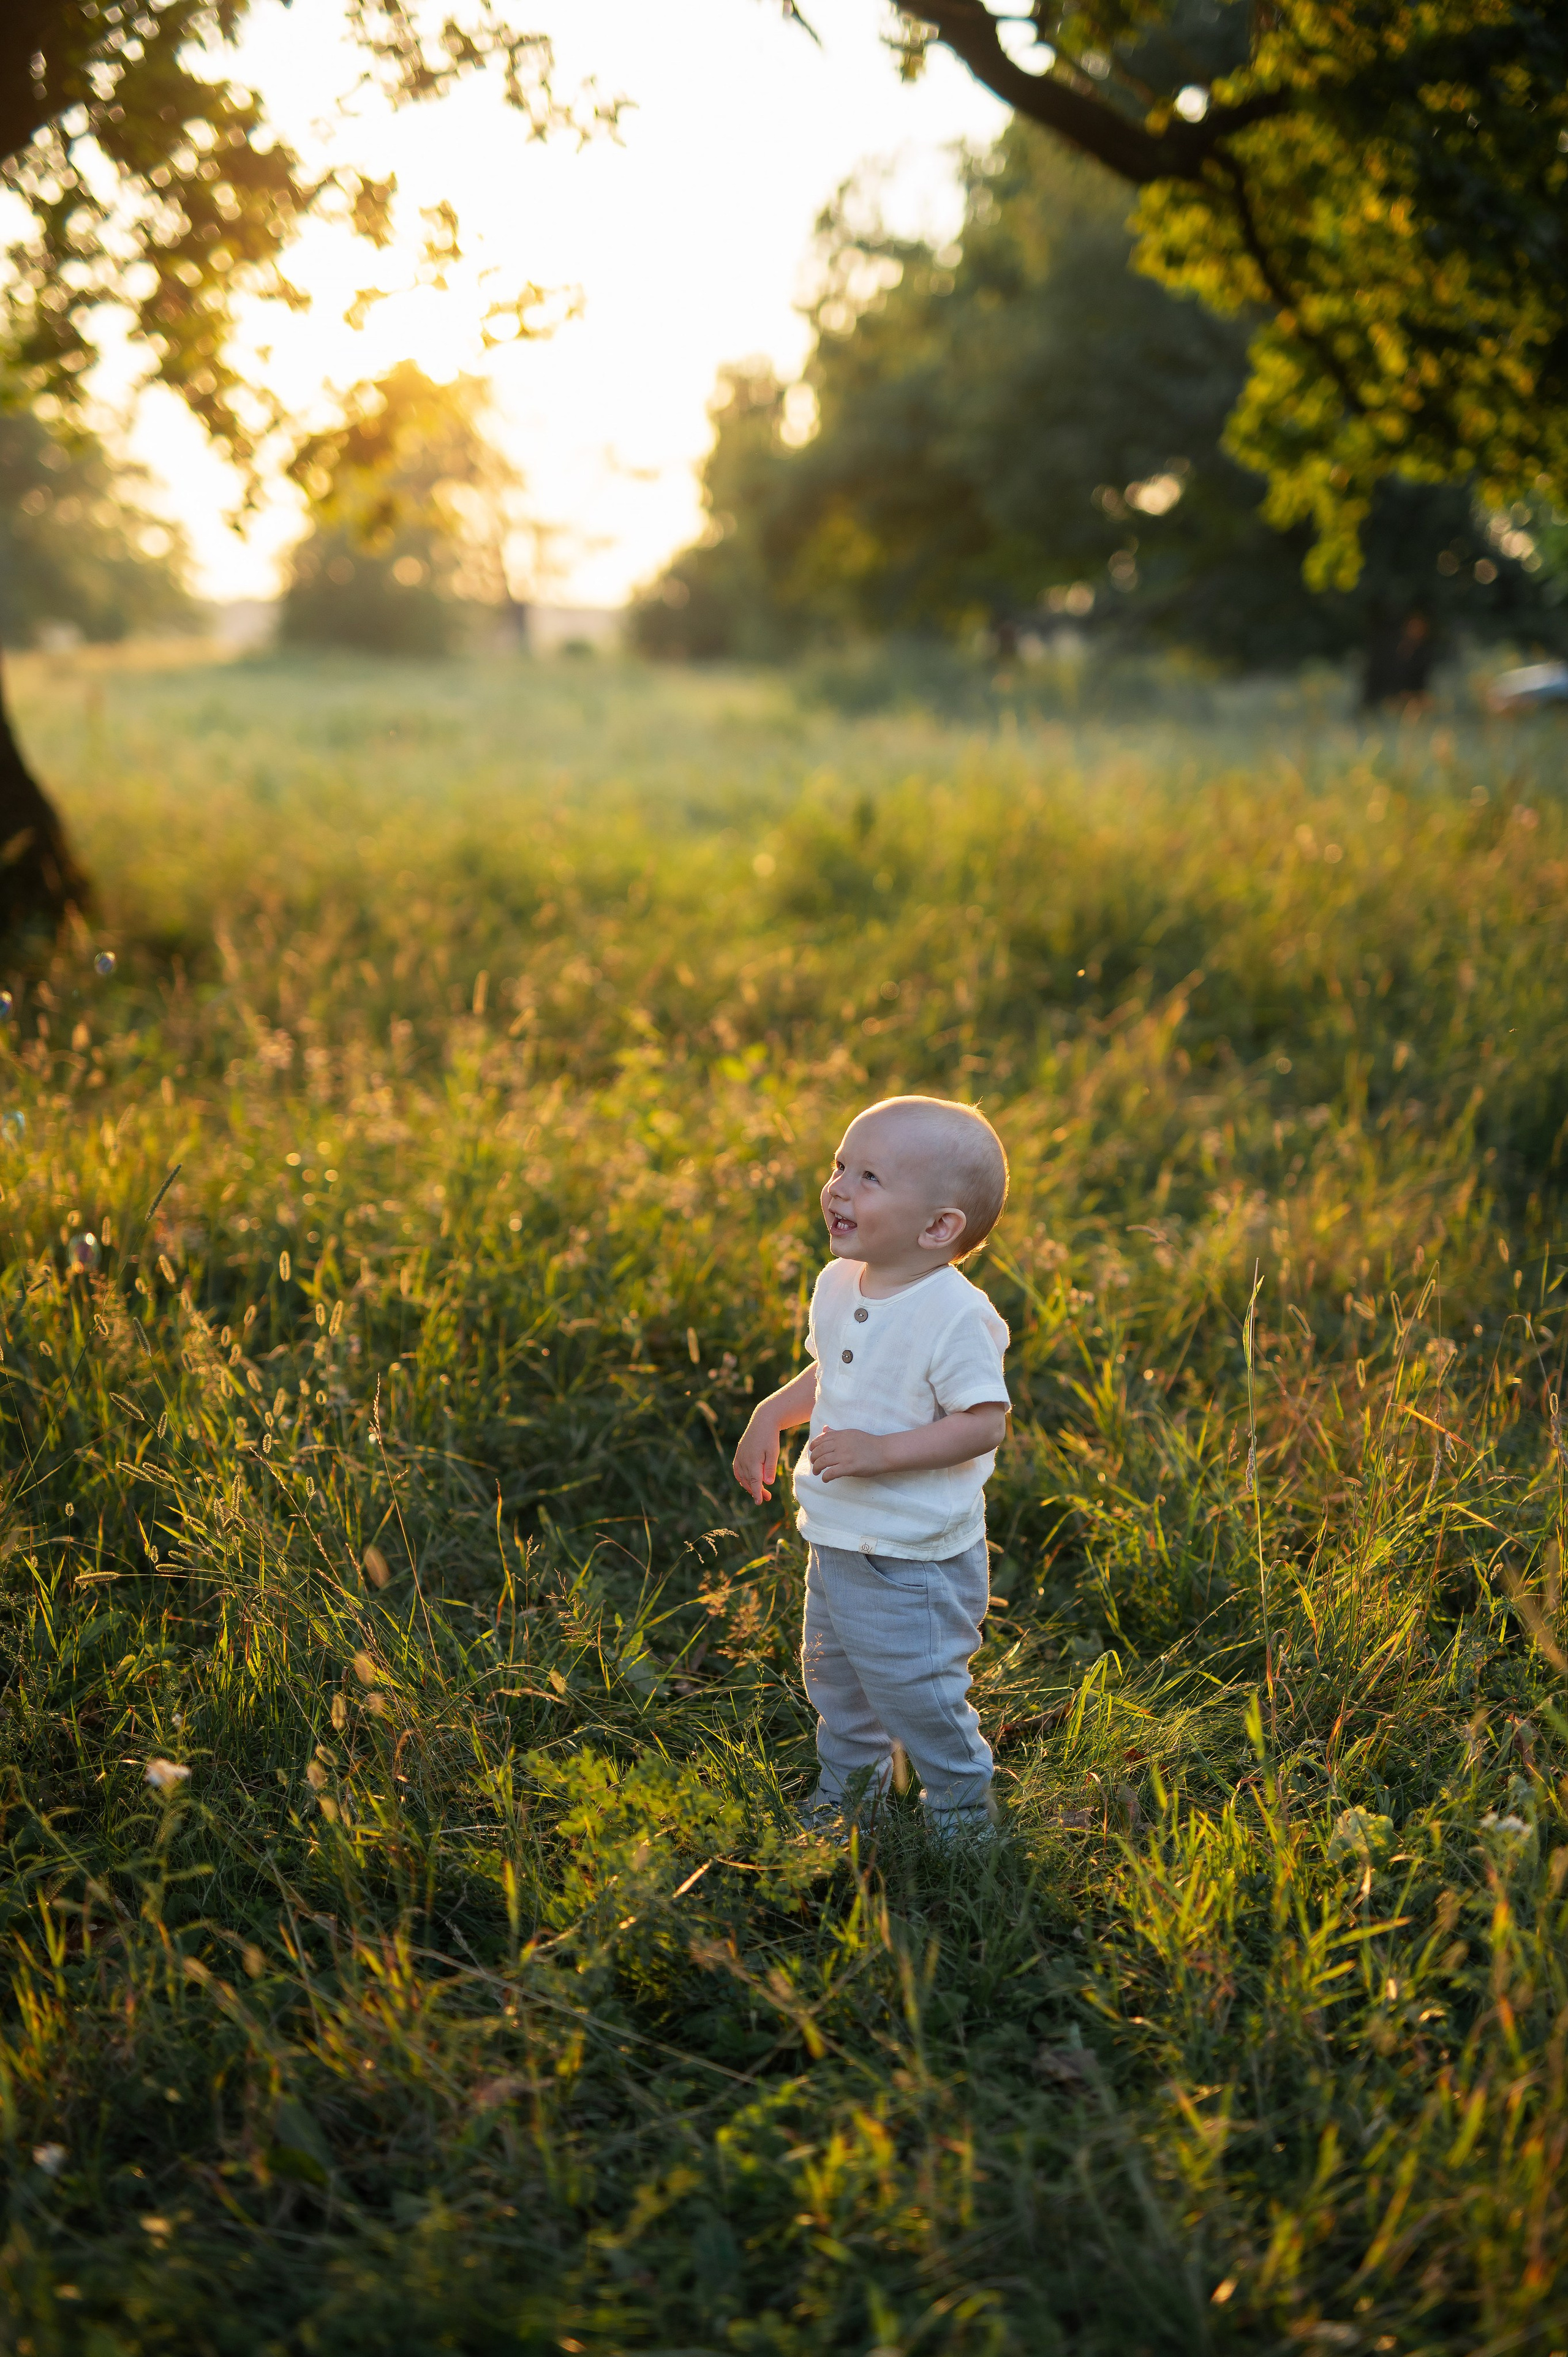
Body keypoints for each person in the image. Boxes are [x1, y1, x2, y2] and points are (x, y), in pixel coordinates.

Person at [733, 1095, 1010, 1838]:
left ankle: (961, 1815)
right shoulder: (838, 1281)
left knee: (917, 1690)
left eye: (869, 1177)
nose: (838, 1188)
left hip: (913, 1557)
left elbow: (982, 1422)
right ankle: (853, 1793)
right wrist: (770, 1413)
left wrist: (882, 1452)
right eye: (839, 1166)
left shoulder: (954, 1314)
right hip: (839, 1537)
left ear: (938, 1226)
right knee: (836, 1680)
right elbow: (828, 1372)